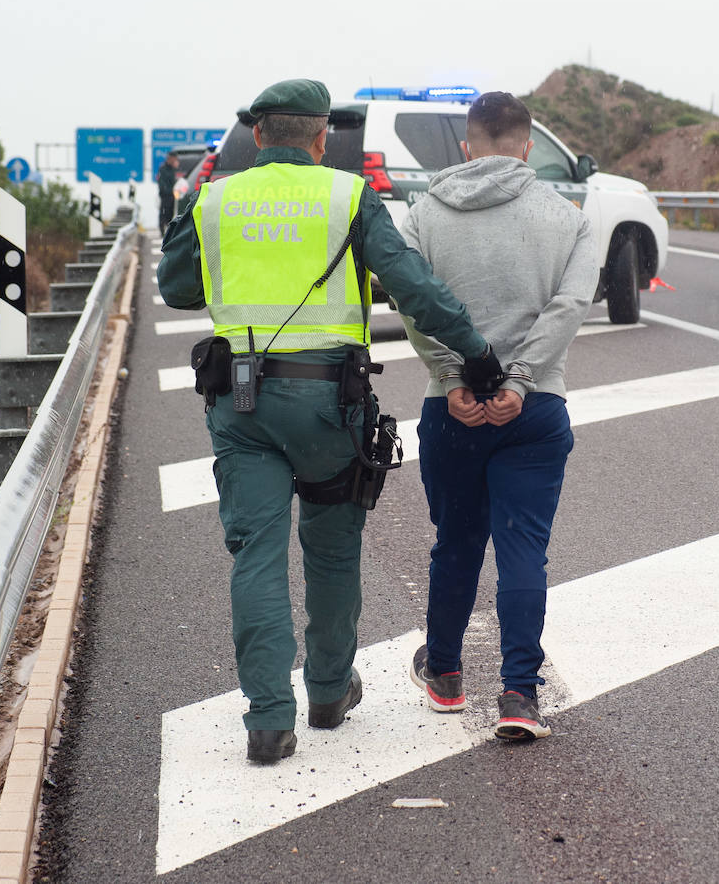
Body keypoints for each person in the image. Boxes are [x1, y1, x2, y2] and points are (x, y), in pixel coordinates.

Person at [157, 79, 502, 764]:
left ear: (258, 135)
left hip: (241, 404)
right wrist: (476, 353)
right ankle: (327, 691)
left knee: (257, 555)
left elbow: (177, 288)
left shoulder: (213, 198)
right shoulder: (348, 196)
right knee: (333, 551)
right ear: (322, 139)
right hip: (328, 406)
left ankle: (267, 720)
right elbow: (413, 286)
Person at [401, 92, 598, 740]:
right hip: (536, 408)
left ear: (467, 147)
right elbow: (571, 304)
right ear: (527, 147)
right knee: (523, 552)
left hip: (450, 409)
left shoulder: (422, 214)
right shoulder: (567, 217)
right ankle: (519, 696)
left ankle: (446, 675)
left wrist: (454, 375)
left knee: (456, 543)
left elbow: (413, 301)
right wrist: (519, 380)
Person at [157, 149, 179, 235]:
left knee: (171, 213)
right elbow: (161, 182)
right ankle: (162, 230)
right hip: (165, 195)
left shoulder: (174, 169)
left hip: (173, 195)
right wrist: (167, 191)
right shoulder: (163, 168)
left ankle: (169, 230)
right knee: (164, 213)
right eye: (173, 158)